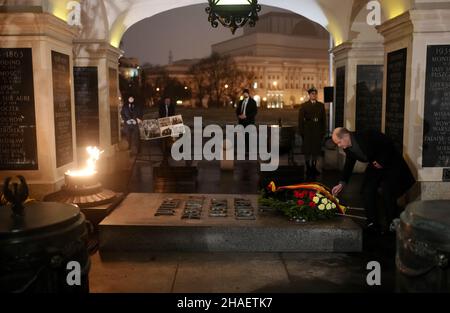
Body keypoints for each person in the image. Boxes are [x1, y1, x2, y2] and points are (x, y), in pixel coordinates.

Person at [331, 127, 416, 234]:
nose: (339, 145)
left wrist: (381, 160)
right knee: (367, 190)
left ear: (345, 136)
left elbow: (388, 143)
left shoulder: (366, 134)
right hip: (375, 165)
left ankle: (392, 222)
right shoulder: (347, 148)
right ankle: (372, 223)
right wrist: (342, 183)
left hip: (391, 162)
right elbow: (349, 164)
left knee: (387, 191)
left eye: (339, 142)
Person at [298, 87, 326, 179]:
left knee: (315, 150)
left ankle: (314, 167)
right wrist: (301, 131)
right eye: (312, 94)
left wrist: (323, 131)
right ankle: (308, 167)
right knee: (307, 150)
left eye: (315, 93)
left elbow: (324, 120)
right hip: (307, 130)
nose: (314, 95)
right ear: (309, 95)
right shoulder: (304, 105)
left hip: (317, 130)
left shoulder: (321, 105)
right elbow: (300, 120)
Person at [158, 97, 176, 165]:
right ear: (164, 101)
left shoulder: (172, 107)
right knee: (163, 139)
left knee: (169, 138)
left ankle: (168, 151)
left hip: (170, 124)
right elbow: (160, 114)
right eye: (166, 101)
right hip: (163, 123)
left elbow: (173, 114)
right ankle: (164, 150)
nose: (167, 102)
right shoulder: (162, 107)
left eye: (169, 101)